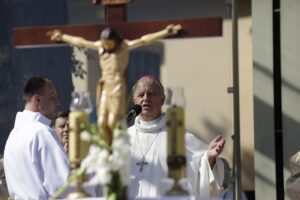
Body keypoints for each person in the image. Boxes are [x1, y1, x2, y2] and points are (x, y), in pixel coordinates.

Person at [47, 24, 181, 145]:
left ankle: (112, 150)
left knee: (112, 122)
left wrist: (165, 32)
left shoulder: (124, 46)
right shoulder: (101, 47)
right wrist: (62, 36)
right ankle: (107, 150)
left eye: (108, 44)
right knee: (102, 122)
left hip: (117, 87)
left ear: (114, 41)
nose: (106, 46)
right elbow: (81, 41)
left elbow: (144, 40)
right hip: (105, 87)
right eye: (104, 44)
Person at [127, 75, 226, 199]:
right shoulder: (124, 138)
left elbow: (201, 166)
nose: (146, 98)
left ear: (162, 100)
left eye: (151, 94)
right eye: (141, 95)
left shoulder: (177, 135)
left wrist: (209, 159)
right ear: (134, 101)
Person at [3, 77, 69, 200]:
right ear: (38, 99)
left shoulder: (12, 137)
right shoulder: (42, 132)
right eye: (53, 97)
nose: (57, 102)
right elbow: (64, 187)